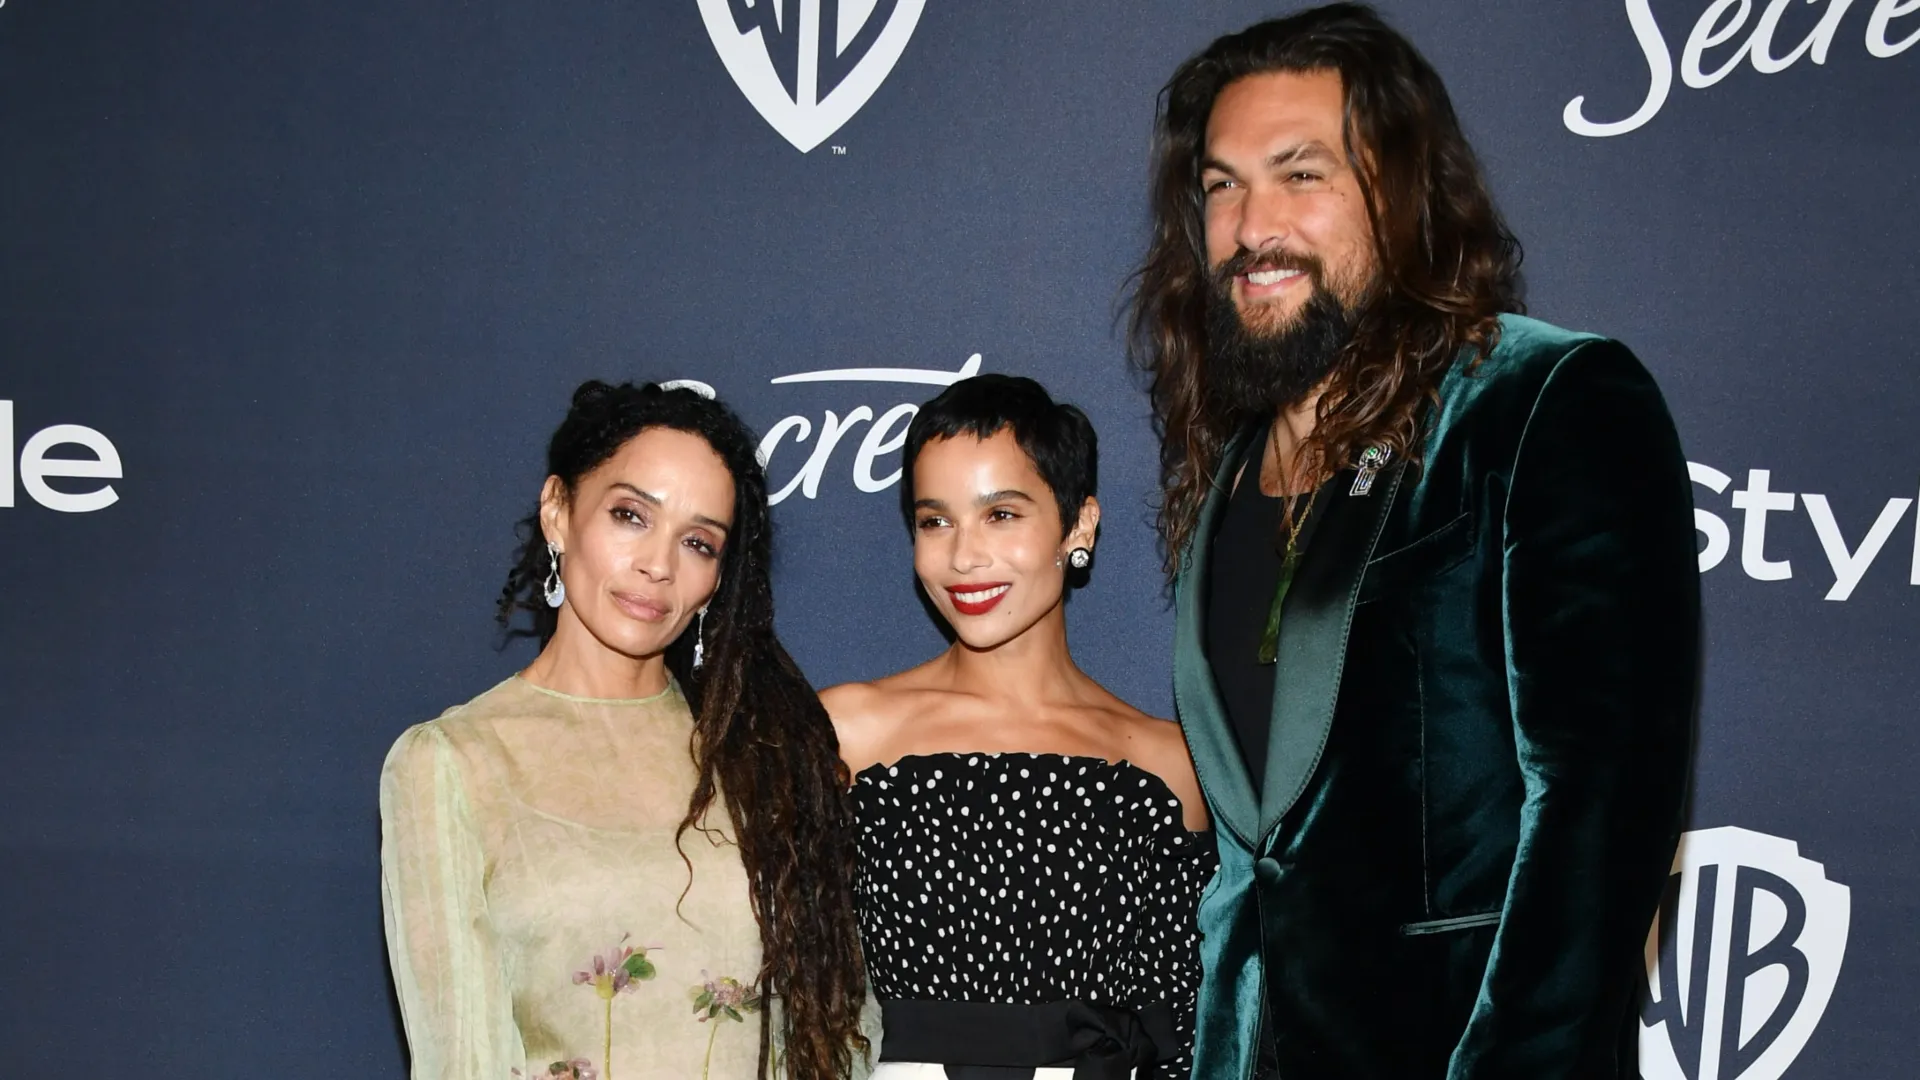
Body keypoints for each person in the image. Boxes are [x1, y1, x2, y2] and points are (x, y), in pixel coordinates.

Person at [1127, 5, 1700, 1079]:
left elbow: (1599, 817)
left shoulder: (1545, 402)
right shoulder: (1231, 474)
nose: (1253, 226)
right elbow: (1258, 868)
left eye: (1302, 174)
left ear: (1399, 193)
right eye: (1221, 185)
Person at [380, 381, 868, 1080]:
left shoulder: (760, 752)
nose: (658, 565)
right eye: (631, 515)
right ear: (558, 512)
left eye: (697, 541)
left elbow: (838, 1028)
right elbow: (460, 1059)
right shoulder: (450, 763)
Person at [822, 374, 1215, 1080]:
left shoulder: (1169, 766)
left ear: (1078, 525)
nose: (964, 556)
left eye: (1001, 514)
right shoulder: (847, 731)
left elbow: (1181, 1027)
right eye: (934, 520)